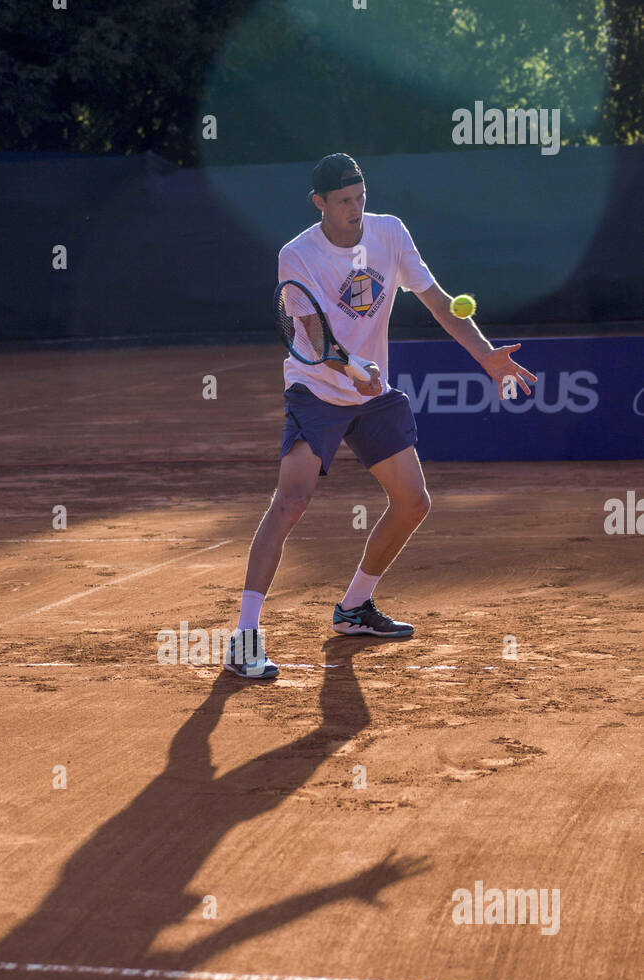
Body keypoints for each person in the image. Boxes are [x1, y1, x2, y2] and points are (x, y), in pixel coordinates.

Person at [225, 152, 537, 679]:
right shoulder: (297, 255)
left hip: (372, 392)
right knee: (292, 502)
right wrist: (350, 367)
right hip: (317, 389)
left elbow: (438, 301)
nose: (355, 208)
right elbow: (316, 338)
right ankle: (244, 638)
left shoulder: (389, 233)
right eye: (343, 201)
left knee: (413, 502)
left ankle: (354, 609)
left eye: (361, 196)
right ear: (319, 202)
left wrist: (485, 355)